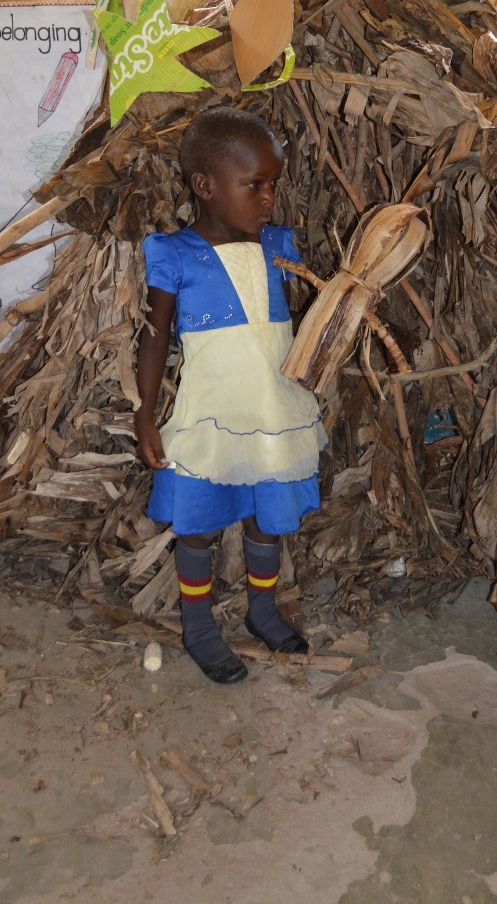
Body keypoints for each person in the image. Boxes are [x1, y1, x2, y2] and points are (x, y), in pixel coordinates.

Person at [134, 105, 327, 685]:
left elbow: (294, 326)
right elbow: (154, 336)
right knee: (198, 523)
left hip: (272, 411)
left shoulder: (278, 247)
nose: (268, 198)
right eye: (255, 185)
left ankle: (262, 609)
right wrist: (146, 413)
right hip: (211, 414)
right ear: (205, 186)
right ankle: (197, 626)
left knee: (266, 519)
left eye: (272, 185)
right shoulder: (174, 254)